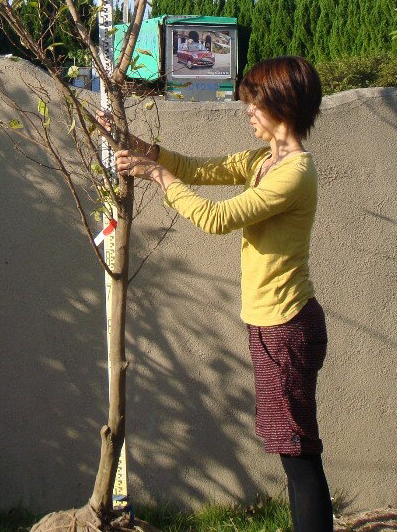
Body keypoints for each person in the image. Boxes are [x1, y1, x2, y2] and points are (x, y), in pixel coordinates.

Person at [100, 55, 332, 532]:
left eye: (254, 103)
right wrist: (141, 147)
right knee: (289, 446)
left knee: (297, 452)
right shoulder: (262, 162)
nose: (246, 110)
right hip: (270, 325)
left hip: (287, 326)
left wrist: (159, 179)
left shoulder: (294, 173)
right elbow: (197, 168)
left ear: (281, 105)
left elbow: (216, 219)